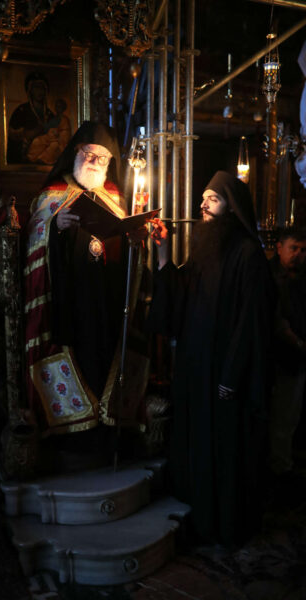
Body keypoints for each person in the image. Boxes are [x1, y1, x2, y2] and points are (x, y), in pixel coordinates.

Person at [150, 170, 275, 547]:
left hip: (223, 374)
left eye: (213, 199)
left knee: (224, 449)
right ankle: (199, 518)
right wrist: (162, 253)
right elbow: (180, 298)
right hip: (196, 369)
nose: (202, 204)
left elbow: (251, 322)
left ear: (231, 208)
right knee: (197, 443)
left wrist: (231, 376)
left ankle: (224, 527)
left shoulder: (247, 254)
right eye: (203, 197)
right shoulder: (205, 248)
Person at [24, 121, 149, 450]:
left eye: (102, 158)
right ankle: (72, 438)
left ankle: (107, 431)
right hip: (69, 301)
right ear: (75, 153)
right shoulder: (52, 196)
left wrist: (136, 239)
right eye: (89, 154)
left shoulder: (115, 198)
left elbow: (126, 256)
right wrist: (57, 228)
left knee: (105, 357)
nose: (94, 162)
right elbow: (34, 241)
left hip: (106, 301)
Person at [269, 228, 306, 477]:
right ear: (280, 247)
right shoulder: (270, 276)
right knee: (281, 417)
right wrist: (297, 342)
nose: (299, 254)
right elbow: (277, 321)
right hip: (280, 357)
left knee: (290, 416)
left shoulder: (300, 277)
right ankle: (279, 468)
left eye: (303, 250)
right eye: (294, 248)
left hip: (296, 358)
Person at [7, 72, 55, 164]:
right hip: (24, 161)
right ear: (30, 90)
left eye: (42, 88)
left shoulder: (50, 114)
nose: (40, 91)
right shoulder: (21, 111)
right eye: (36, 87)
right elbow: (14, 138)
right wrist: (30, 133)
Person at [27, 98, 72, 165]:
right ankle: (32, 157)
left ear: (63, 108)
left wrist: (58, 135)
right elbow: (47, 128)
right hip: (49, 137)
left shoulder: (65, 120)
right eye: (57, 106)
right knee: (37, 140)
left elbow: (65, 134)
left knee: (54, 146)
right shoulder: (53, 118)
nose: (58, 108)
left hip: (59, 141)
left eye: (60, 106)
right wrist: (44, 126)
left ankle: (42, 159)